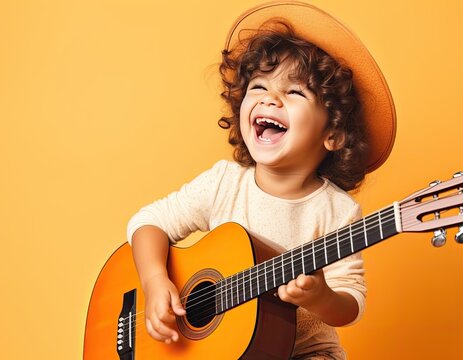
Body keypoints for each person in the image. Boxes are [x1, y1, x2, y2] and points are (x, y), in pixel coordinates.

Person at [127, 1, 396, 358]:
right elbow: (147, 223)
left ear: (332, 132)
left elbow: (351, 303)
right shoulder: (224, 183)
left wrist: (322, 297)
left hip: (303, 352)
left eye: (295, 92)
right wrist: (155, 281)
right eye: (258, 87)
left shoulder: (337, 211)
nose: (271, 98)